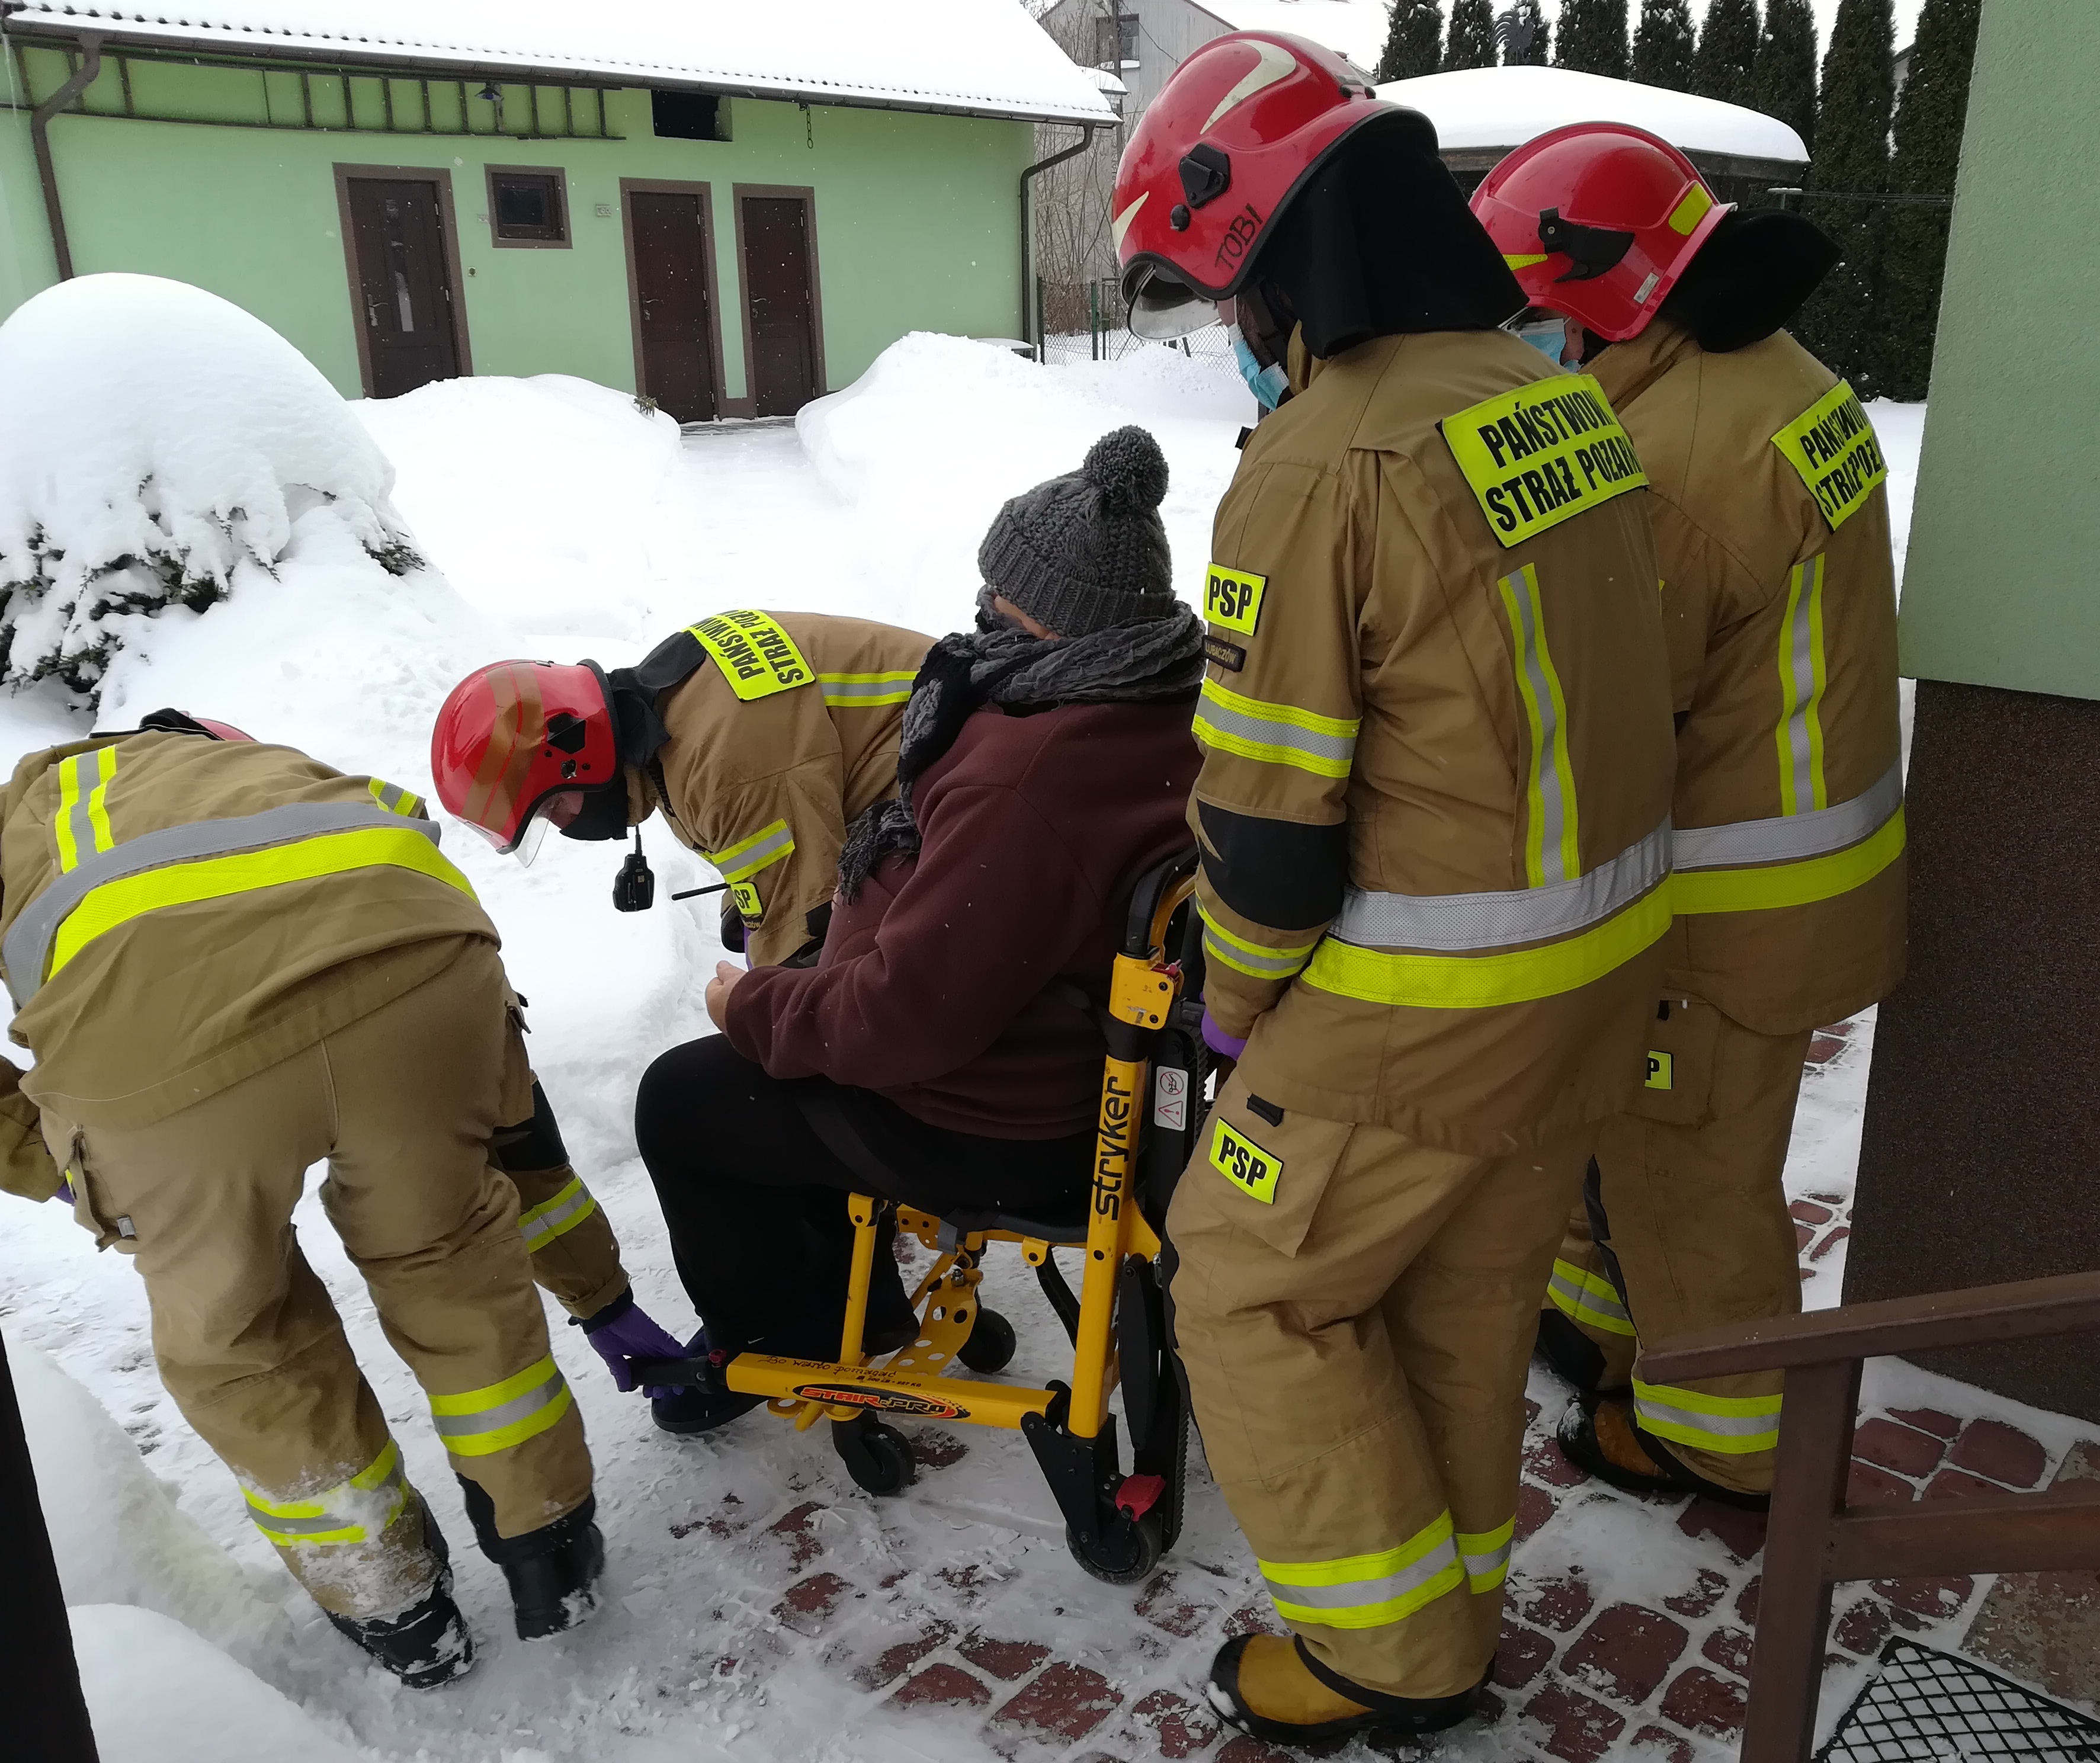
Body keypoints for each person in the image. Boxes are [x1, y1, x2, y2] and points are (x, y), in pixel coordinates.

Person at [1115, 36, 1677, 1746]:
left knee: (1243, 1280)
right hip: (1588, 977)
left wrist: (1235, 1011)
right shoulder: (1547, 398)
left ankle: (1387, 1657)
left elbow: (1271, 833)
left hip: (1422, 1004)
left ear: (1273, 260)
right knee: (1462, 1299)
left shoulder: (1317, 464)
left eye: (1221, 291)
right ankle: (1453, 1605)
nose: (1234, 330)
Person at [1471, 124, 1906, 1509]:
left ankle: (1723, 1439)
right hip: (1793, 865)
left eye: (1535, 310)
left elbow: (1605, 714)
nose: (1526, 338)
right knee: (1642, 1142)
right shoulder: (1773, 374)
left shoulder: (1669, 462)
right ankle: (1608, 1331)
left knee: (1688, 1178)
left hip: (1724, 908)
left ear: (1600, 292)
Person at [0, 711, 614, 1687]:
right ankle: (552, 1546)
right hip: (421, 973)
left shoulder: (25, 821)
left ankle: (398, 1611)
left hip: (164, 1070)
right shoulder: (272, 768)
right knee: (451, 1262)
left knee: (242, 1343)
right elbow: (519, 1138)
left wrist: (59, 1155)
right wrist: (602, 1294)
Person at [630, 427, 1203, 1435]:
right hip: (1087, 1073)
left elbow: (904, 1017)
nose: (981, 610)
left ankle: (788, 1341)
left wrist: (752, 1006)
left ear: (1049, 619)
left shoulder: (1029, 776)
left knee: (684, 1100)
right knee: (795, 1022)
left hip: (997, 1123)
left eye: (999, 596)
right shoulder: (1162, 702)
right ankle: (854, 1306)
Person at [433, 609, 932, 967]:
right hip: (937, 762)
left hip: (953, 782)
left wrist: (751, 1011)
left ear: (574, 751)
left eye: (552, 807)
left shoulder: (718, 762)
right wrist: (747, 903)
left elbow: (807, 936)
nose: (564, 824)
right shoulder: (675, 706)